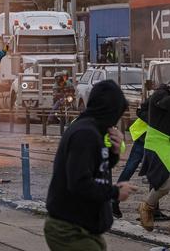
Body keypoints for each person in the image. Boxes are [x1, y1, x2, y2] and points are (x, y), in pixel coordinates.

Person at [44, 80, 134, 251]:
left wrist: (114, 152)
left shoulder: (93, 130)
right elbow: (79, 182)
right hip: (70, 228)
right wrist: (115, 192)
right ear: (109, 110)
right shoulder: (85, 134)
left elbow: (97, 167)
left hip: (84, 226)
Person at [139, 83, 170, 231]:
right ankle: (147, 207)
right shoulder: (160, 94)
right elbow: (162, 104)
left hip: (166, 143)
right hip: (157, 144)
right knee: (165, 183)